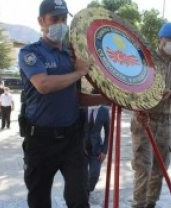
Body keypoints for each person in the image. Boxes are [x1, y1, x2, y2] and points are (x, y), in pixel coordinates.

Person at [18, 0, 107, 207]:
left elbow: (77, 99)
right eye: (54, 19)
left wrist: (109, 99)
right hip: (40, 142)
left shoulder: (72, 56)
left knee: (79, 200)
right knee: (39, 201)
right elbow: (43, 84)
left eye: (64, 19)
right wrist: (77, 73)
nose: (60, 24)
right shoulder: (31, 53)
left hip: (72, 141)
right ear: (41, 21)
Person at [130, 22, 171, 208]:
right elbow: (133, 89)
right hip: (144, 121)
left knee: (160, 169)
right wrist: (139, 108)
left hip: (166, 123)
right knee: (143, 168)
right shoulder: (146, 60)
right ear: (161, 39)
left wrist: (170, 93)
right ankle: (138, 205)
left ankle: (151, 204)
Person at [85, 89, 110, 201]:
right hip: (81, 148)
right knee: (79, 174)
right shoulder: (82, 108)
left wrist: (104, 150)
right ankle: (82, 192)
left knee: (94, 174)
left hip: (96, 149)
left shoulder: (104, 112)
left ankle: (88, 190)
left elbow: (108, 132)